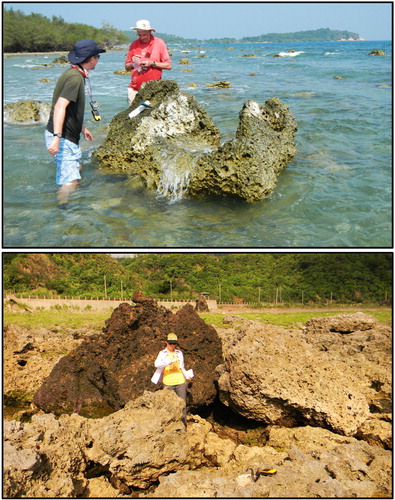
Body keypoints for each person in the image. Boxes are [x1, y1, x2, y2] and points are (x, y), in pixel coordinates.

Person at [45, 40, 105, 206]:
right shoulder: (75, 78)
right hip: (62, 135)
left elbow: (70, 108)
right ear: (91, 58)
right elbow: (60, 107)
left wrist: (81, 127)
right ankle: (61, 214)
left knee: (76, 168)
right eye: (97, 56)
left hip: (67, 133)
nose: (98, 60)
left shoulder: (73, 74)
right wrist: (57, 138)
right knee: (70, 182)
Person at [125, 19, 172, 105]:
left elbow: (168, 66)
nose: (142, 37)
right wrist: (133, 63)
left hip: (155, 89)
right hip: (135, 89)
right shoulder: (133, 45)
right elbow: (127, 67)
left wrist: (152, 64)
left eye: (144, 35)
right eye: (139, 35)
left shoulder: (159, 43)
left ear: (150, 32)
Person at [151, 333, 193, 426]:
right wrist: (168, 361)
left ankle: (183, 426)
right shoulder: (162, 353)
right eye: (170, 343)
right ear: (166, 342)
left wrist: (187, 376)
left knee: (182, 405)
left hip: (180, 382)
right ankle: (170, 427)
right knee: (168, 405)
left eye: (174, 343)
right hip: (168, 383)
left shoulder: (179, 353)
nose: (172, 345)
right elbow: (156, 364)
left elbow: (182, 367)